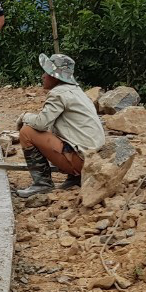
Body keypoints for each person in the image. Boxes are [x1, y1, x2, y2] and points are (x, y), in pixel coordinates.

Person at [15, 53, 106, 197]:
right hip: (93, 159)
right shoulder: (78, 92)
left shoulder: (58, 93)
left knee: (27, 132)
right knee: (57, 132)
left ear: (54, 76)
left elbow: (41, 124)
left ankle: (42, 183)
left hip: (81, 160)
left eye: (46, 72)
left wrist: (24, 116)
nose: (43, 76)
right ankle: (75, 179)